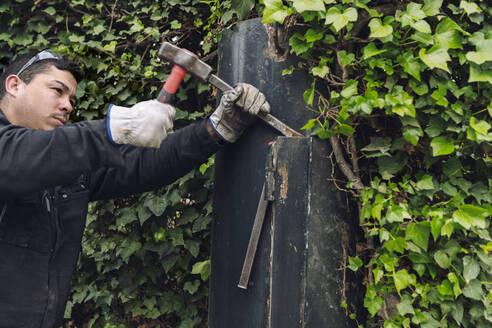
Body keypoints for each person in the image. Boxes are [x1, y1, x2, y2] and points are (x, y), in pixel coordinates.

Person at [0, 49, 270, 327]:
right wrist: (118, 127)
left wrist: (215, 130)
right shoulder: (29, 152)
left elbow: (141, 165)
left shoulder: (63, 162)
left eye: (71, 98)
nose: (68, 105)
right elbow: (16, 159)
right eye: (57, 90)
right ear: (15, 85)